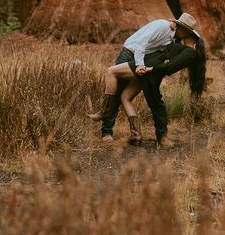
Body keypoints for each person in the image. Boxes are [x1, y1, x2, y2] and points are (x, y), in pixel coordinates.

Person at [88, 15, 206, 147]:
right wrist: (140, 65)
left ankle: (138, 134)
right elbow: (142, 43)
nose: (184, 37)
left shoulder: (178, 43)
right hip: (132, 55)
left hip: (147, 65)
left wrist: (150, 69)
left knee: (129, 96)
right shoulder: (163, 27)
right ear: (183, 29)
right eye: (186, 33)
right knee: (121, 94)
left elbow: (169, 63)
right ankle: (107, 130)